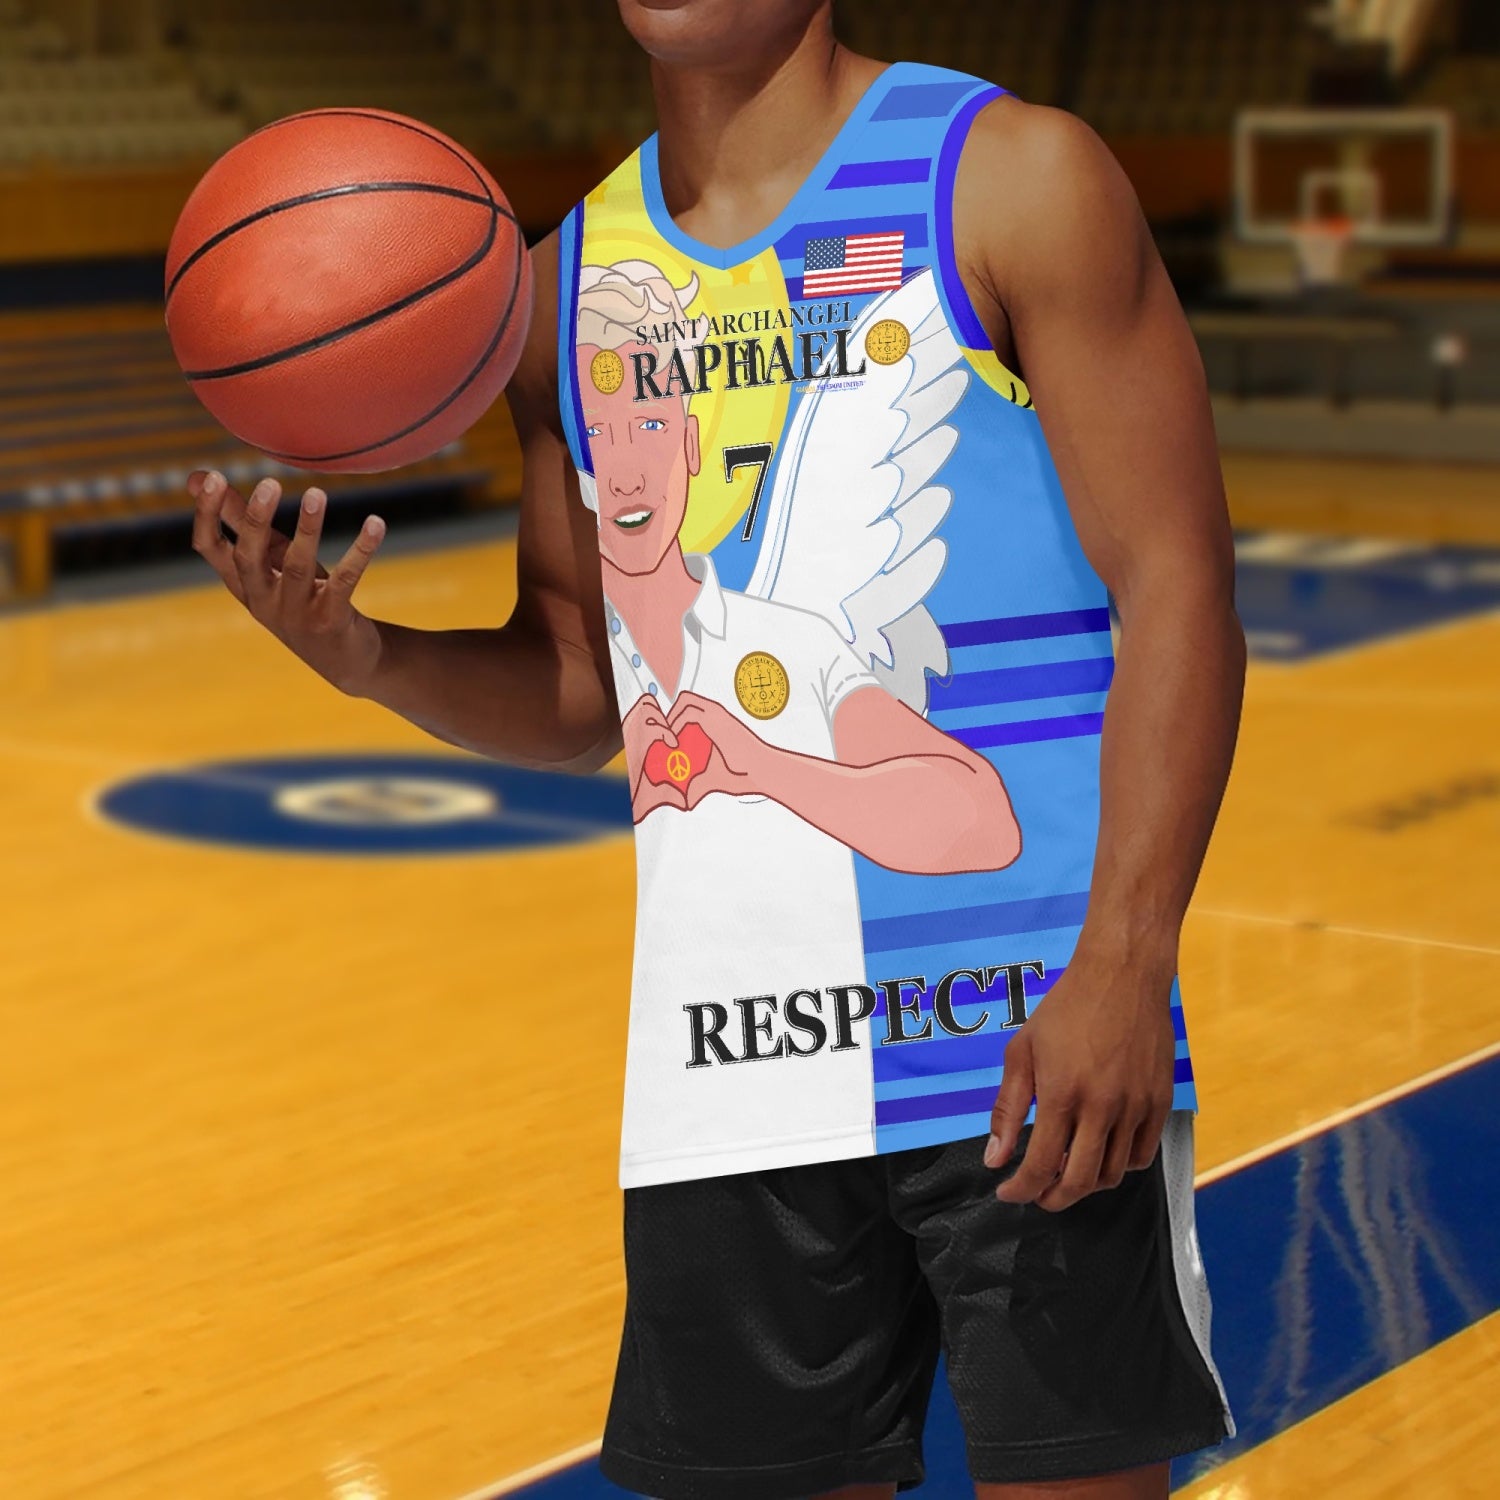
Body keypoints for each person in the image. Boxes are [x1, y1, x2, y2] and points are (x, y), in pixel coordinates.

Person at [188, 2, 1244, 1496]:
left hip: (1021, 1043)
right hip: (731, 1070)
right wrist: (370, 659)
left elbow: (1181, 586)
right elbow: (582, 685)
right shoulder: (555, 282)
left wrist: (1126, 968)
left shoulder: (1011, 178)